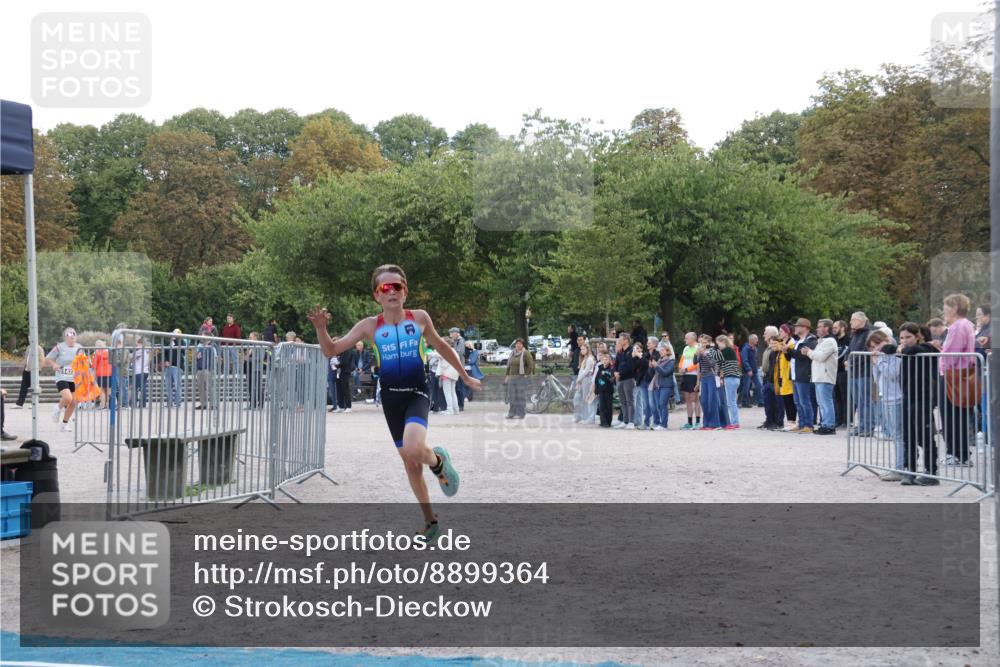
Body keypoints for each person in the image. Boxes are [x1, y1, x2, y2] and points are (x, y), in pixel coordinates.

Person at [307, 264, 480, 541]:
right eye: (384, 288)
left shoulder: (420, 318)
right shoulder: (369, 326)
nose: (391, 292)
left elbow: (443, 347)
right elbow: (330, 350)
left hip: (417, 393)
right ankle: (431, 522)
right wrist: (321, 329)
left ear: (405, 291)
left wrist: (465, 375)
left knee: (414, 448)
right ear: (376, 295)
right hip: (391, 399)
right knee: (411, 464)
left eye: (396, 286)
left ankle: (438, 462)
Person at [897, 322, 940, 485]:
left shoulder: (926, 349)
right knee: (908, 436)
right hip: (907, 397)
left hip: (923, 398)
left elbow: (913, 349)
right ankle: (910, 470)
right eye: (901, 338)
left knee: (925, 436)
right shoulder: (905, 350)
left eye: (908, 337)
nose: (904, 341)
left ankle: (931, 472)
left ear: (917, 336)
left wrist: (902, 349)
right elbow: (887, 349)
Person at [939, 293, 977, 466]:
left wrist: (942, 365)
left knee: (951, 415)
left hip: (952, 375)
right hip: (963, 374)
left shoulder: (957, 326)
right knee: (960, 414)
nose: (944, 310)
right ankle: (960, 453)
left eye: (946, 306)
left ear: (954, 308)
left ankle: (957, 454)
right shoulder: (968, 324)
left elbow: (950, 354)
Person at [868, 330, 905, 481]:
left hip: (897, 398)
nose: (875, 349)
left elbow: (892, 374)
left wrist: (879, 362)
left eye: (877, 344)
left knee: (898, 435)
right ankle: (899, 466)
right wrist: (875, 365)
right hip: (886, 397)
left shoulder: (895, 354)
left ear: (886, 340)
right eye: (872, 347)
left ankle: (900, 468)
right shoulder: (881, 358)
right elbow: (877, 379)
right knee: (895, 434)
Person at [803, 319, 839, 435]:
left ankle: (829, 425)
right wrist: (811, 352)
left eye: (820, 326)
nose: (817, 329)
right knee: (821, 402)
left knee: (826, 401)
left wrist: (809, 352)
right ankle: (824, 423)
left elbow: (820, 357)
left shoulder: (830, 341)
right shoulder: (821, 341)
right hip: (819, 376)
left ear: (826, 328)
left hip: (825, 376)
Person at [44, 327, 82, 432]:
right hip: (61, 377)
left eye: (74, 334)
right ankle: (57, 408)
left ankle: (64, 424)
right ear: (65, 337)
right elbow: (48, 359)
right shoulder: (59, 347)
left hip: (73, 378)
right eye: (69, 335)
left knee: (73, 402)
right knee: (68, 398)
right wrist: (54, 364)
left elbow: (83, 361)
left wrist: (81, 370)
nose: (72, 337)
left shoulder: (79, 348)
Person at [785, 318, 817, 434]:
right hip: (795, 374)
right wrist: (786, 351)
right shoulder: (798, 340)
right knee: (798, 401)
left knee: (805, 401)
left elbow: (802, 356)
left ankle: (808, 424)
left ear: (805, 328)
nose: (796, 328)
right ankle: (801, 423)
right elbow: (792, 356)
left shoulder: (811, 340)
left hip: (803, 374)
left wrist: (788, 350)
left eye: (798, 326)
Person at [847, 312, 874, 436]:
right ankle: (862, 426)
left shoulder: (869, 333)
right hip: (854, 373)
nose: (850, 322)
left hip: (865, 372)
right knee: (858, 401)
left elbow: (865, 352)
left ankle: (868, 426)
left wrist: (851, 363)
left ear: (861, 321)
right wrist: (846, 360)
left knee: (866, 400)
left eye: (853, 320)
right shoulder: (855, 334)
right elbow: (850, 350)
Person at [696, 334, 724, 431]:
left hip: (711, 377)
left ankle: (715, 423)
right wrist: (698, 354)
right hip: (703, 378)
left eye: (704, 342)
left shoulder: (712, 351)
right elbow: (695, 362)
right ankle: (706, 423)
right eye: (701, 343)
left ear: (708, 342)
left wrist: (704, 355)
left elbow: (713, 364)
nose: (702, 344)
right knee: (703, 401)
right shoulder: (700, 351)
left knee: (712, 400)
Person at [758, 326, 783, 430]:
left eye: (765, 332)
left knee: (776, 402)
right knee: (768, 402)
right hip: (767, 377)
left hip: (774, 378)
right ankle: (769, 420)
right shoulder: (769, 347)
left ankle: (777, 422)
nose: (764, 334)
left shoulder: (775, 349)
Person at [773, 324, 797, 430]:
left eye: (781, 331)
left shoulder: (791, 344)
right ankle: (789, 422)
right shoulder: (783, 343)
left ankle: (792, 421)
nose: (779, 333)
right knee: (786, 399)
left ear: (787, 332)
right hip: (783, 375)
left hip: (789, 375)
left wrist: (784, 349)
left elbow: (788, 358)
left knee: (790, 399)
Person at [505, 339, 534, 419]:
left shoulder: (526, 353)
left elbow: (530, 365)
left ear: (523, 345)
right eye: (517, 344)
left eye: (520, 344)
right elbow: (509, 365)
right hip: (511, 378)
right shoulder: (512, 353)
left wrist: (526, 374)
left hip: (521, 378)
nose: (518, 345)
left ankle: (521, 414)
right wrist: (507, 376)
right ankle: (511, 413)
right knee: (512, 396)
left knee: (521, 397)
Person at [718, 335, 741, 429]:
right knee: (732, 401)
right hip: (735, 378)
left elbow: (714, 357)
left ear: (723, 342)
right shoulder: (730, 350)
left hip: (730, 378)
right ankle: (734, 421)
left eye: (718, 343)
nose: (718, 346)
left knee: (731, 402)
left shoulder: (725, 350)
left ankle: (735, 422)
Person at [613, 334, 637, 429]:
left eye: (620, 339)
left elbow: (630, 366)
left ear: (626, 340)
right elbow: (616, 364)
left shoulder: (632, 351)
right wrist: (615, 372)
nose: (619, 341)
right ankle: (625, 420)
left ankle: (631, 421)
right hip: (620, 379)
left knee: (629, 401)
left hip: (628, 378)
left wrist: (620, 373)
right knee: (622, 401)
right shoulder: (620, 352)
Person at [679, 332, 701, 430]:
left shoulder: (698, 348)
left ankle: (697, 422)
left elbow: (698, 364)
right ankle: (689, 422)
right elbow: (681, 360)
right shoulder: (686, 348)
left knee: (695, 399)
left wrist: (687, 369)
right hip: (685, 376)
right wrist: (680, 368)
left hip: (694, 375)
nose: (685, 340)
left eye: (686, 338)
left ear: (693, 339)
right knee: (687, 400)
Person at [652, 342, 676, 430]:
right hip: (658, 386)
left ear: (667, 351)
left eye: (663, 350)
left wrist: (657, 366)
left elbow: (665, 373)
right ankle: (662, 423)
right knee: (659, 405)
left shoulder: (671, 361)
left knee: (663, 404)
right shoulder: (659, 360)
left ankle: (664, 425)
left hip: (666, 386)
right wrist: (652, 366)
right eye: (660, 350)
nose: (661, 351)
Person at [13, 342, 44, 408]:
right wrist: (23, 367)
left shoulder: (39, 348)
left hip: (34, 370)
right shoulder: (28, 347)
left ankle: (34, 403)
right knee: (23, 387)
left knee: (33, 387)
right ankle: (19, 404)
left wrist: (38, 369)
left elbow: (42, 360)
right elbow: (26, 359)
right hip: (26, 370)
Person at [832, 320, 850, 427]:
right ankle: (839, 420)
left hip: (844, 372)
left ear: (842, 328)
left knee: (845, 397)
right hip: (834, 372)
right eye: (833, 327)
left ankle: (846, 420)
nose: (834, 329)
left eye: (836, 327)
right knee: (837, 397)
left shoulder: (848, 340)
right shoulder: (834, 340)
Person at [573, 342, 596, 423]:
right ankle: (582, 416)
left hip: (587, 379)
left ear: (587, 349)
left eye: (583, 349)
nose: (581, 351)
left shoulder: (590, 359)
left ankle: (587, 417)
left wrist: (579, 379)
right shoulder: (584, 359)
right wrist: (578, 380)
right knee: (580, 398)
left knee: (586, 398)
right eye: (581, 349)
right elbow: (581, 370)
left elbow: (586, 371)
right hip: (582, 379)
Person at [631, 342, 652, 430]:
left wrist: (639, 355)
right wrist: (632, 357)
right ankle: (639, 421)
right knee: (640, 402)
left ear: (641, 349)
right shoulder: (635, 358)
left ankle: (647, 422)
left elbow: (646, 364)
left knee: (646, 402)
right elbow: (633, 367)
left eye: (638, 348)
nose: (637, 350)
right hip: (639, 381)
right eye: (635, 349)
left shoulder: (645, 355)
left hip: (646, 380)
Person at [195, 335, 218, 411]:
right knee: (201, 387)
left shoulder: (213, 347)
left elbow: (216, 358)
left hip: (209, 369)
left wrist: (212, 369)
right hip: (200, 369)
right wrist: (197, 356)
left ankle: (213, 405)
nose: (202, 337)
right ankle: (203, 404)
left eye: (203, 336)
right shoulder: (200, 346)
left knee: (211, 387)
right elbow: (196, 357)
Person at [739, 334, 762, 408]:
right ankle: (744, 402)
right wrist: (748, 369)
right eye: (756, 339)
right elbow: (744, 360)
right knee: (746, 387)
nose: (757, 340)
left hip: (754, 371)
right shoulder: (745, 349)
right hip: (747, 372)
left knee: (759, 386)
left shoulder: (754, 348)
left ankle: (761, 401)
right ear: (751, 340)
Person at [161, 330, 183, 408]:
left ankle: (178, 402)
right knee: (168, 386)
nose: (173, 336)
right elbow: (164, 353)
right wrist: (165, 361)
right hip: (168, 368)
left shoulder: (180, 342)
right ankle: (169, 402)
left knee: (177, 386)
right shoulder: (167, 344)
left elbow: (181, 352)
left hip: (177, 367)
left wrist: (176, 340)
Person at [594, 352, 616, 427]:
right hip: (601, 390)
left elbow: (612, 379)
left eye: (606, 359)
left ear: (609, 360)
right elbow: (596, 379)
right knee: (602, 406)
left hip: (608, 390)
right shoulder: (600, 368)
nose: (605, 360)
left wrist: (606, 374)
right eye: (603, 359)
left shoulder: (611, 369)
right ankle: (603, 421)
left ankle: (608, 421)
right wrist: (596, 389)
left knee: (608, 406)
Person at [448, 328, 466, 412]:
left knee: (459, 387)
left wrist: (450, 350)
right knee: (455, 387)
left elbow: (460, 352)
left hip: (459, 367)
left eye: (451, 333)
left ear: (456, 333)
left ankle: (461, 405)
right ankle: (457, 405)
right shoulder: (455, 341)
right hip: (454, 367)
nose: (450, 335)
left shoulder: (461, 341)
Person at [92, 340, 112, 409]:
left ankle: (103, 405)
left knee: (102, 391)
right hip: (109, 373)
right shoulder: (109, 352)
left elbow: (94, 365)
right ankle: (108, 404)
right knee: (108, 390)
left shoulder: (97, 353)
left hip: (101, 373)